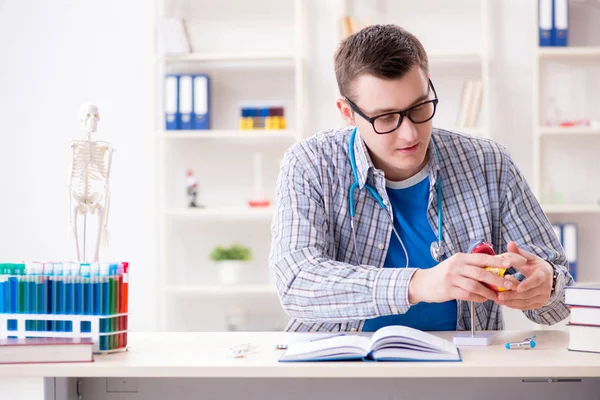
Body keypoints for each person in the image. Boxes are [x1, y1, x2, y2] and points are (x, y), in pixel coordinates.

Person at [269, 24, 573, 333]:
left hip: (463, 371)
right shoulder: (310, 163)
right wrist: (420, 283)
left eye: (419, 107)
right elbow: (296, 283)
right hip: (341, 372)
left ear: (429, 86)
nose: (410, 133)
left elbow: (559, 298)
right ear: (347, 113)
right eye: (386, 118)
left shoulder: (488, 163)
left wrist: (546, 287)